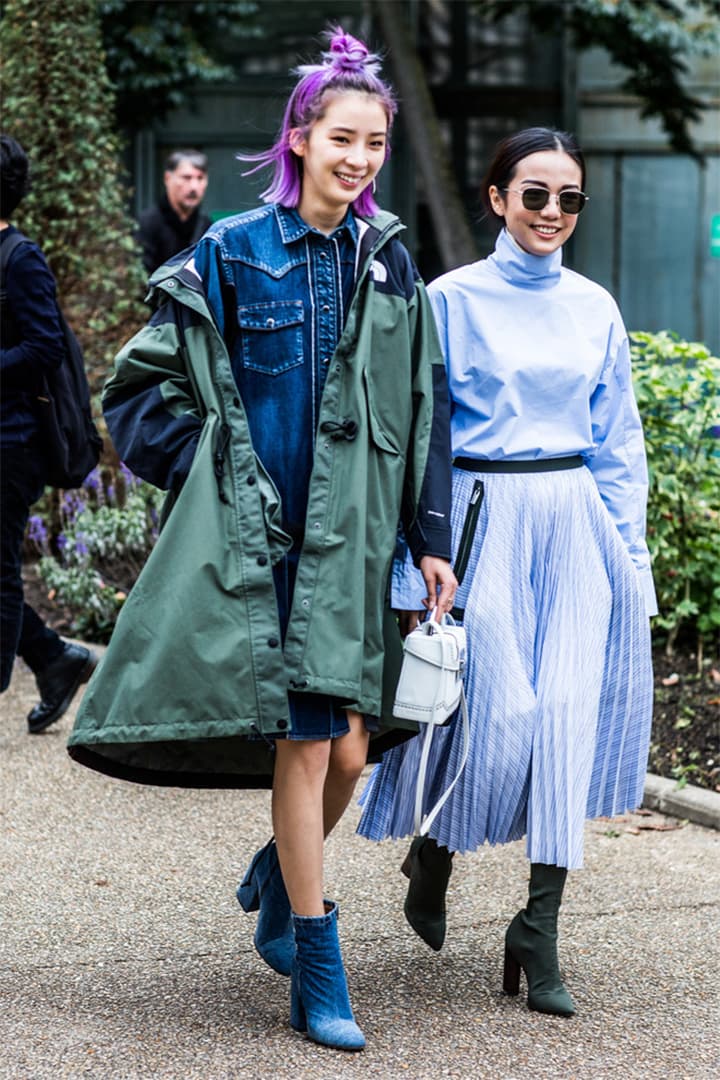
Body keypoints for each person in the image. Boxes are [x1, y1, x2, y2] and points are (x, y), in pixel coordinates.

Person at [67, 29, 457, 1051]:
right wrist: (219, 474)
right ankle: (318, 971)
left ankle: (279, 881)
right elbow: (139, 386)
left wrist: (429, 533)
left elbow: (425, 405)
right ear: (299, 137)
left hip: (358, 542)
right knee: (310, 736)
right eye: (343, 137)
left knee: (355, 748)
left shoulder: (389, 263)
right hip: (266, 546)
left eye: (375, 142)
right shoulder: (234, 251)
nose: (361, 158)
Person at [357, 127, 657, 1018]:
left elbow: (620, 446)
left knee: (562, 716)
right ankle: (434, 854)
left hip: (574, 523)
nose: (553, 213)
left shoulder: (595, 306)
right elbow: (422, 439)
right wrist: (418, 563)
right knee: (499, 710)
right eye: (535, 195)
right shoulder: (449, 299)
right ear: (497, 198)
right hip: (480, 521)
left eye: (569, 199)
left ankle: (540, 926)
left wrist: (630, 559)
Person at [0, 134, 97, 731]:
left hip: (12, 442)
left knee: (1, 571)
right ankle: (52, 656)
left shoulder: (20, 258)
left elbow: (44, 346)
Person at [137, 149, 211, 273]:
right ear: (167, 178)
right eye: (186, 178)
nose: (194, 186)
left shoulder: (206, 226)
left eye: (200, 178)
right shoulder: (147, 224)